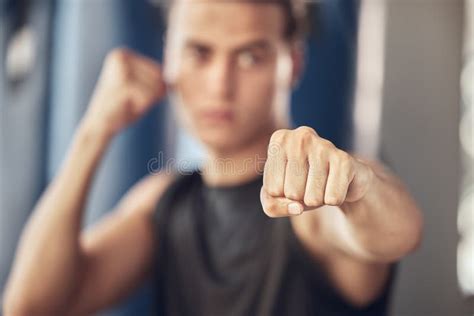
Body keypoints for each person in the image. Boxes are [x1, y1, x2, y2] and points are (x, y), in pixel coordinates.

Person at [2, 0, 423, 315]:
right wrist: (94, 130)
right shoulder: (165, 202)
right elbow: (31, 306)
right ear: (170, 59)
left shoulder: (310, 196)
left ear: (292, 64)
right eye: (200, 53)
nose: (221, 83)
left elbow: (398, 233)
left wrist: (356, 183)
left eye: (249, 56)